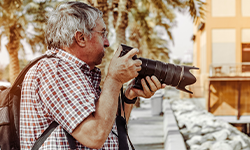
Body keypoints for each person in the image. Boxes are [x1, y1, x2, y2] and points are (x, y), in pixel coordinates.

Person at [20, 1, 166, 149]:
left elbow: (110, 130)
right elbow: (95, 136)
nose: (107, 43)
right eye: (102, 34)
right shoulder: (54, 70)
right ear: (81, 38)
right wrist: (114, 79)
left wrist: (129, 95)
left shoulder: (78, 73)